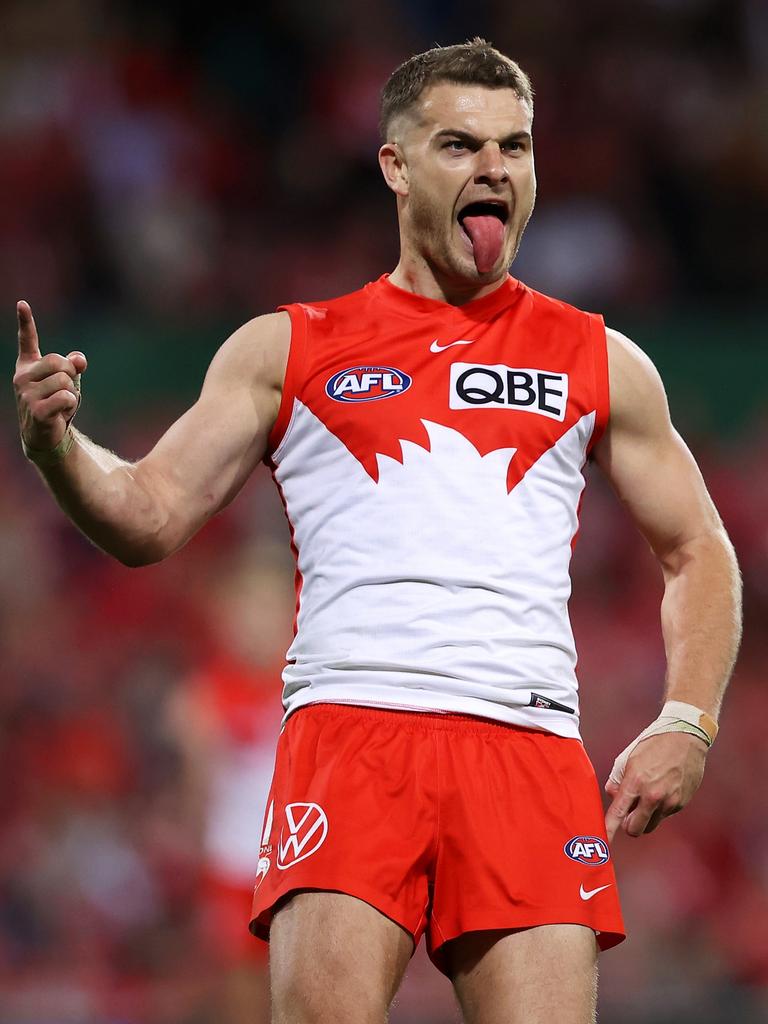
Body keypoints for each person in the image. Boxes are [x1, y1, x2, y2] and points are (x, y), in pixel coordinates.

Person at [13, 38, 741, 1024]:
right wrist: (61, 450)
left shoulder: (600, 358)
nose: (494, 167)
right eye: (460, 144)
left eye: (515, 147)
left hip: (526, 740)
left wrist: (686, 719)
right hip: (353, 729)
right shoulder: (289, 347)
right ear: (396, 167)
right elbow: (147, 515)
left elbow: (699, 548)